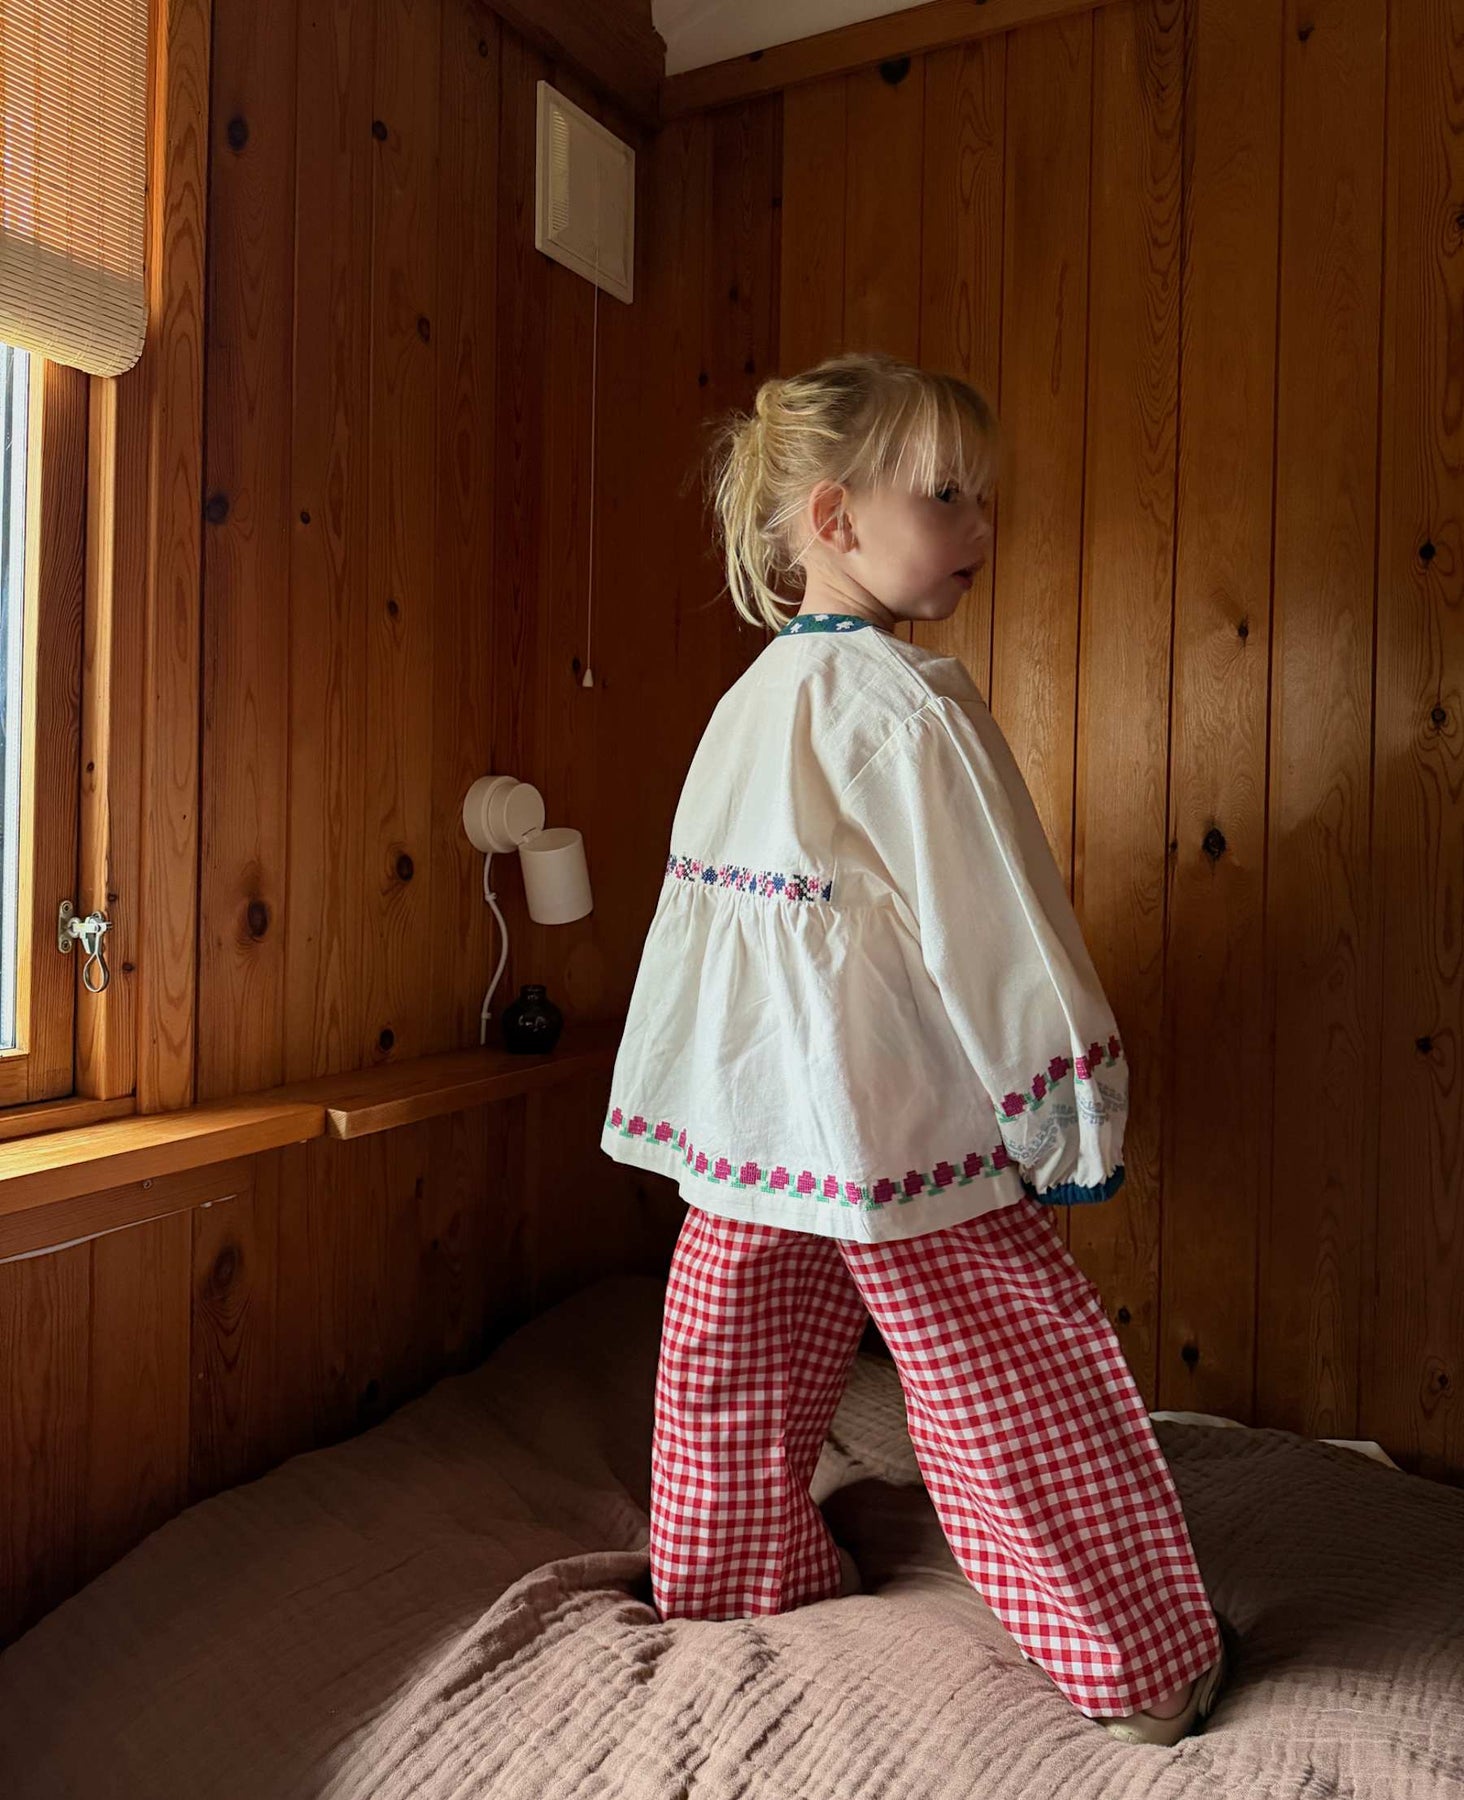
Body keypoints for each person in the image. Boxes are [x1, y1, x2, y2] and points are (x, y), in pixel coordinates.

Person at [599, 351, 1228, 1747]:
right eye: (948, 497)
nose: (981, 528)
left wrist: (706, 1093)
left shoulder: (747, 703)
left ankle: (730, 1581)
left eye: (985, 500)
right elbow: (1000, 928)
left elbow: (707, 932)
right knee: (1012, 1382)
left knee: (727, 1362)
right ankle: (1139, 1664)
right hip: (895, 1123)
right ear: (834, 517)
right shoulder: (903, 708)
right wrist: (1064, 1104)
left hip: (755, 1126)